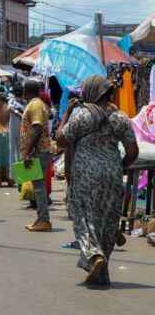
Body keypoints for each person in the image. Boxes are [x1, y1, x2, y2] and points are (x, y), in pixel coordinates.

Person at [56, 75, 138, 286]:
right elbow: (132, 151)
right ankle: (103, 272)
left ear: (91, 92)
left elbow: (61, 140)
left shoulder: (82, 116)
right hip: (112, 173)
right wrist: (119, 166)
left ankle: (94, 256)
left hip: (86, 175)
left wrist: (65, 114)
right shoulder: (120, 117)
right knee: (107, 221)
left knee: (84, 217)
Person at [19, 79, 55, 232]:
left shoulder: (35, 105)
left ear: (26, 91)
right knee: (37, 186)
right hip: (39, 150)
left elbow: (36, 128)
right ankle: (41, 219)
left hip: (38, 151)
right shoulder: (37, 104)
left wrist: (27, 152)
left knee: (39, 187)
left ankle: (44, 220)